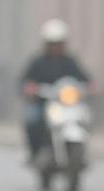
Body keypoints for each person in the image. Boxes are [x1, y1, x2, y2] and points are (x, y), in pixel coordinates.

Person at [20, 19, 91, 161]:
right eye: (52, 43)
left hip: (65, 103)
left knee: (85, 117)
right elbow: (25, 80)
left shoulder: (69, 61)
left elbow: (84, 78)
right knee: (32, 120)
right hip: (43, 103)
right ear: (46, 44)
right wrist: (29, 88)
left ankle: (81, 153)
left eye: (59, 43)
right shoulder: (38, 62)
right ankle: (35, 152)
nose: (56, 47)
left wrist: (91, 87)